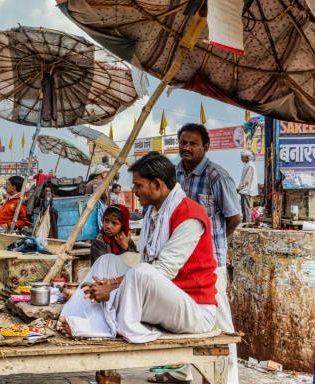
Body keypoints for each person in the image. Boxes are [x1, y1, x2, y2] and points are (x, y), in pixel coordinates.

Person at [57, 152, 218, 350]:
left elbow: (161, 271)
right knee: (107, 261)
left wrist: (113, 285)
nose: (133, 190)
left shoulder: (190, 215)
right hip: (163, 301)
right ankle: (72, 316)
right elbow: (144, 261)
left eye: (138, 185)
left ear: (157, 185)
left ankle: (101, 328)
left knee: (140, 273)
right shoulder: (153, 213)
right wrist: (110, 283)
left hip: (194, 310)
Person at [169, 123, 242, 384]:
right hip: (179, 263)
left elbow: (234, 217)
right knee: (180, 318)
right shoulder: (173, 174)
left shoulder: (217, 177)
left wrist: (211, 244)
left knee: (221, 322)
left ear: (206, 147)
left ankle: (228, 377)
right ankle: (180, 372)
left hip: (211, 264)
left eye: (193, 143)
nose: (187, 147)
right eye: (183, 143)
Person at [237, 150, 258, 223]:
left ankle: (247, 223)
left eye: (242, 157)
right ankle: (245, 222)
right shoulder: (247, 165)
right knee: (244, 208)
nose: (241, 159)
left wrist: (239, 188)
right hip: (245, 191)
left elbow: (246, 180)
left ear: (247, 158)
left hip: (247, 191)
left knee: (246, 208)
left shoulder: (250, 166)